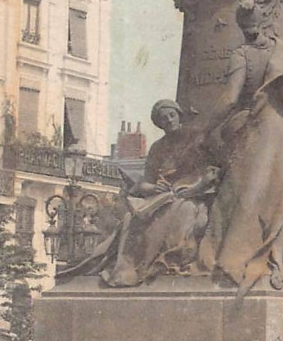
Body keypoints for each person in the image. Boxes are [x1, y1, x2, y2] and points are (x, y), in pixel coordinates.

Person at [199, 0, 283, 295]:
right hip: (282, 127)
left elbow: (231, 98)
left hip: (258, 127)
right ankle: (276, 256)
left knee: (249, 190)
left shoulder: (243, 55)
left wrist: (208, 128)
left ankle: (237, 254)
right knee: (276, 190)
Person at [61, 99, 219, 287]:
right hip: (162, 197)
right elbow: (145, 183)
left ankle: (153, 265)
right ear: (159, 124)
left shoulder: (196, 140)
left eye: (172, 115)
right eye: (163, 119)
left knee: (180, 211)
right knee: (131, 218)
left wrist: (195, 187)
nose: (169, 120)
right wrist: (153, 188)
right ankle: (127, 269)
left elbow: (211, 173)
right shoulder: (157, 148)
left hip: (193, 196)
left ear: (179, 115)